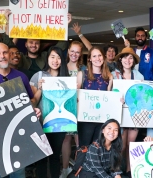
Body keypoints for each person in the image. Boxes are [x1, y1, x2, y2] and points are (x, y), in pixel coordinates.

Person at [0, 43, 40, 178]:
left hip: (18, 134)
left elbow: (31, 101)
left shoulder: (21, 77)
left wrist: (33, 111)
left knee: (19, 173)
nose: (2, 56)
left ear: (10, 55)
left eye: (5, 53)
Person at [29, 47, 70, 178]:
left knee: (55, 157)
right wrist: (40, 88)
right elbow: (32, 102)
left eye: (58, 57)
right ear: (47, 58)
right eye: (52, 57)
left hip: (59, 124)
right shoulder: (38, 76)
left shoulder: (67, 79)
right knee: (41, 158)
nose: (55, 60)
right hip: (40, 123)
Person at [111, 47, 143, 176]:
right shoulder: (114, 75)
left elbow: (142, 95)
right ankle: (118, 171)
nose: (127, 60)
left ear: (133, 61)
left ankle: (130, 171)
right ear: (120, 59)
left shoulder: (139, 76)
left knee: (131, 145)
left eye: (130, 58)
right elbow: (109, 94)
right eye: (125, 57)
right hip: (120, 114)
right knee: (121, 146)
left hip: (135, 113)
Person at [59, 40, 87, 178]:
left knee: (79, 140)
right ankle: (65, 169)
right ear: (68, 51)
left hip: (79, 107)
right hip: (64, 107)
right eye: (72, 51)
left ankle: (78, 169)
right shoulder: (61, 67)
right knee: (66, 138)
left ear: (80, 53)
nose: (74, 54)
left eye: (77, 51)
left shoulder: (84, 69)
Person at [77, 46, 113, 148]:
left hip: (102, 120)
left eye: (99, 55)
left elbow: (109, 98)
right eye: (94, 56)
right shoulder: (82, 74)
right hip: (85, 120)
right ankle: (81, 165)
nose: (97, 59)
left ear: (103, 57)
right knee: (84, 148)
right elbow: (76, 96)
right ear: (89, 59)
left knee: (98, 149)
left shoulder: (109, 77)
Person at [17, 14, 72, 79]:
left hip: (43, 86)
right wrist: (8, 23)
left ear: (40, 44)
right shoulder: (20, 57)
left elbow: (61, 46)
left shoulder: (45, 55)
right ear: (26, 44)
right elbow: (8, 47)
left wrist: (65, 25)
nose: (34, 45)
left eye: (37, 43)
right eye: (31, 42)